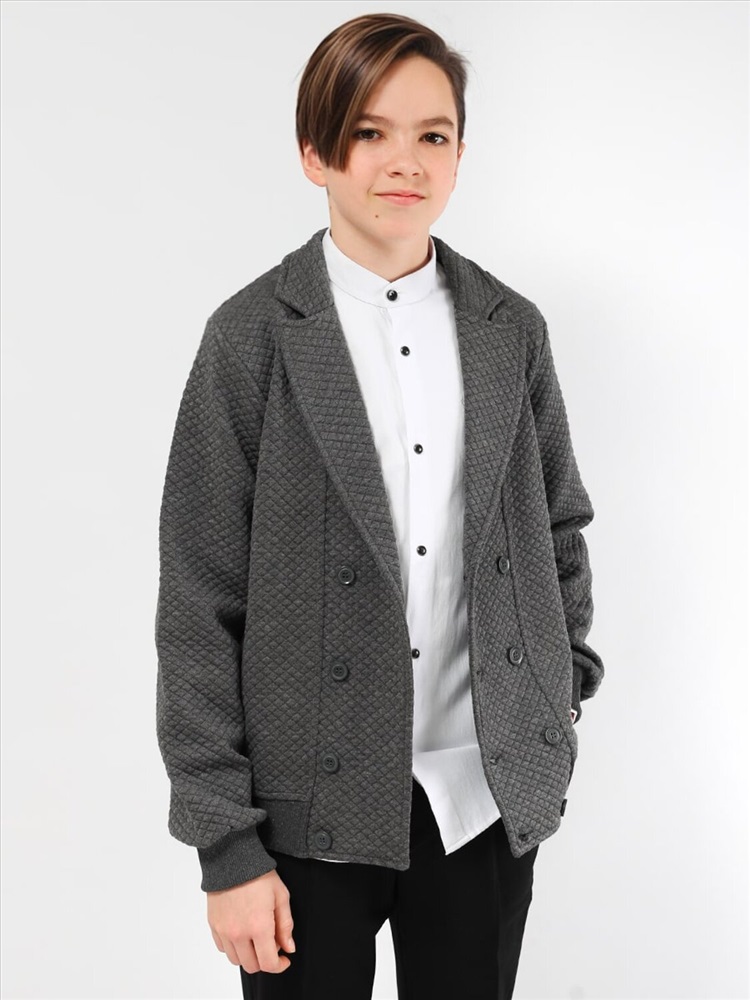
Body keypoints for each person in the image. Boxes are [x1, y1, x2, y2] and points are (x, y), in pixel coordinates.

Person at [155, 11, 604, 1000]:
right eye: (370, 131)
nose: (406, 161)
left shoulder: (510, 330)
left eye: (432, 134)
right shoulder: (251, 338)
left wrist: (554, 693)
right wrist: (226, 846)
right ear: (316, 152)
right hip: (302, 816)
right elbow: (197, 601)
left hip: (481, 800)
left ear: (460, 153)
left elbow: (558, 527)